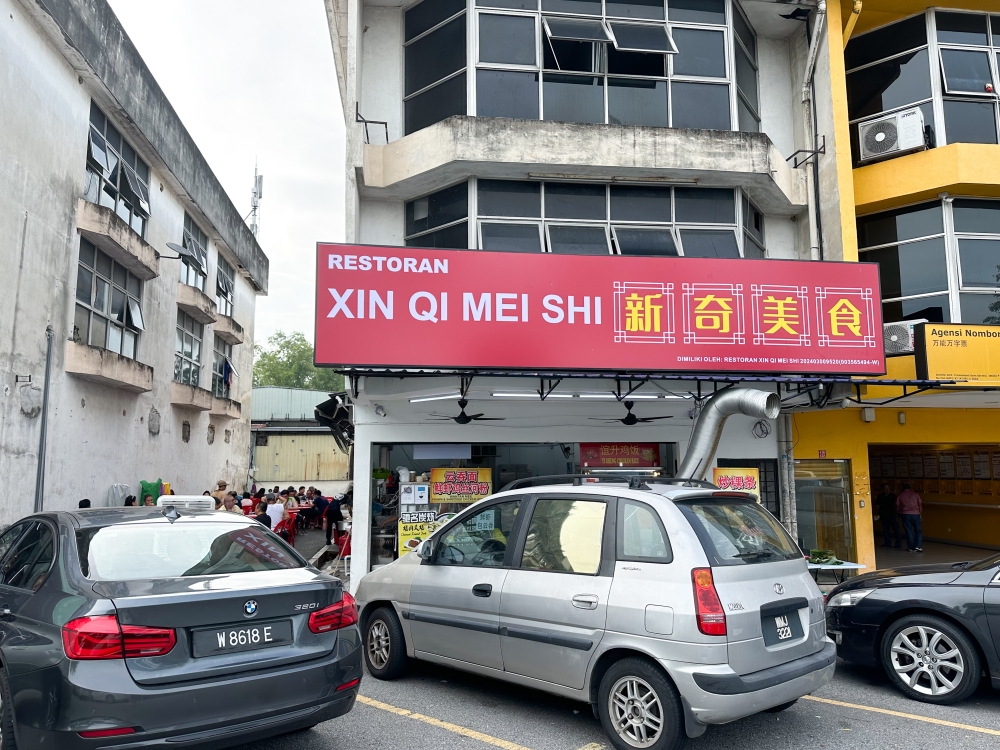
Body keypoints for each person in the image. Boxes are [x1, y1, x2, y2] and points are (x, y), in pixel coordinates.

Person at [896, 482, 923, 552]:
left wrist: (899, 514)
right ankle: (918, 546)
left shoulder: (900, 495)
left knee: (909, 531)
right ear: (910, 487)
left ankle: (911, 547)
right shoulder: (915, 494)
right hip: (916, 514)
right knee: (918, 531)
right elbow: (920, 504)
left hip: (905, 514)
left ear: (902, 488)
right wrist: (920, 514)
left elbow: (897, 506)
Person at [874, 483, 901, 549]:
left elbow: (897, 505)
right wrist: (878, 513)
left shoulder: (894, 496)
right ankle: (887, 543)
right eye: (885, 488)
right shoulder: (880, 496)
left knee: (896, 530)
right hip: (884, 516)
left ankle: (898, 544)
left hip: (893, 515)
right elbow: (877, 506)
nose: (887, 490)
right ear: (882, 489)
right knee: (886, 530)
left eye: (888, 488)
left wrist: (897, 514)